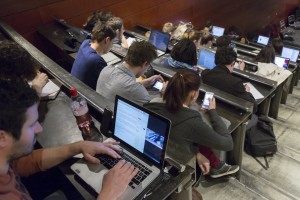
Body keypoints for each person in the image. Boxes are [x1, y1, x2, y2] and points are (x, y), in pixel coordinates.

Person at [0, 79, 138, 200]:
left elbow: (24, 163)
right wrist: (108, 195)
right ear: (2, 137)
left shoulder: (5, 161)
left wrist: (78, 146)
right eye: (31, 125)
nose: (39, 129)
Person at [144, 69, 239, 178]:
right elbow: (227, 143)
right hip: (180, 170)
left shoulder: (153, 103)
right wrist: (213, 111)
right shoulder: (192, 122)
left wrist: (196, 152)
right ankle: (217, 166)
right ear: (194, 94)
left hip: (158, 156)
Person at [96, 41, 164, 106]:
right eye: (149, 65)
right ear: (144, 64)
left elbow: (123, 86)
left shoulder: (106, 69)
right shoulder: (139, 92)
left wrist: (144, 83)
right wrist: (163, 95)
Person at [201, 47, 257, 111]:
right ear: (232, 63)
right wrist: (247, 92)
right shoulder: (236, 83)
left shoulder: (205, 73)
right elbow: (254, 107)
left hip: (210, 107)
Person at [71, 21, 116, 90]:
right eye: (112, 42)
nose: (112, 46)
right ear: (107, 40)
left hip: (74, 87)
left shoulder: (85, 43)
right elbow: (111, 82)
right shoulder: (96, 61)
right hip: (84, 96)